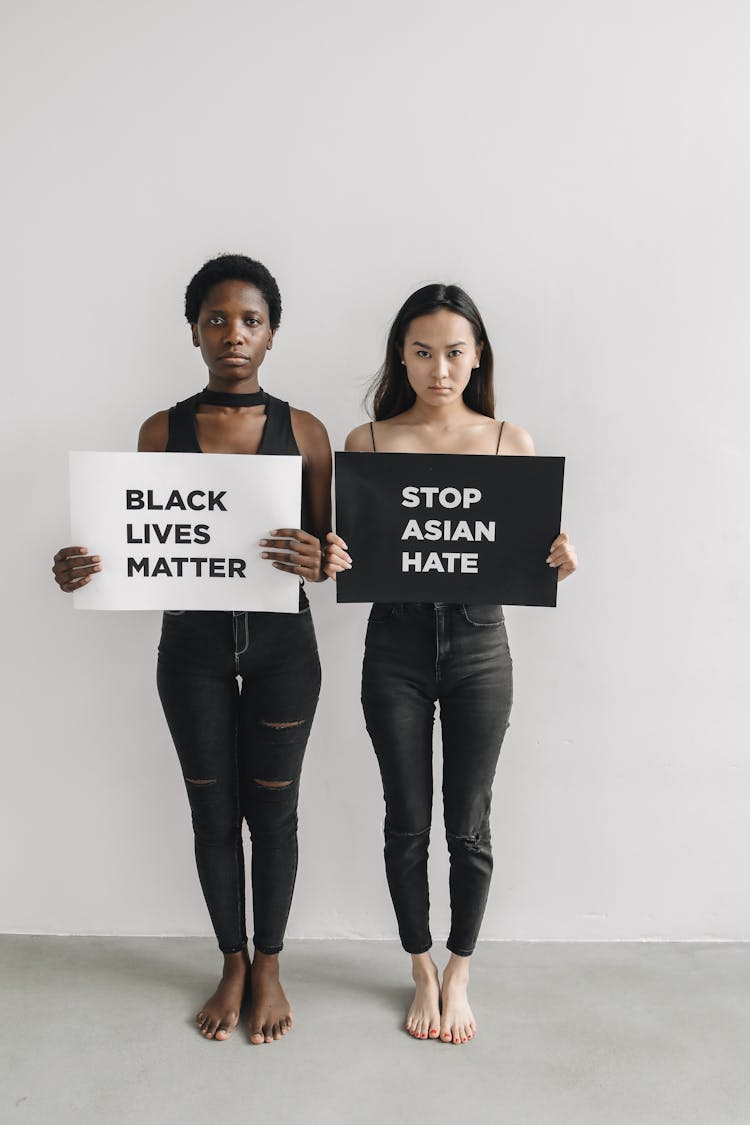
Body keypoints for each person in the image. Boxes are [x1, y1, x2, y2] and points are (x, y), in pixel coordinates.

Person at [52, 254, 332, 1045]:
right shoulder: (159, 430)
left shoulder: (304, 431)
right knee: (213, 813)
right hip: (192, 649)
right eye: (216, 319)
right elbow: (139, 542)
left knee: (273, 815)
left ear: (272, 334)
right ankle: (232, 960)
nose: (233, 334)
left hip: (284, 649)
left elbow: (329, 547)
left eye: (250, 320)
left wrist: (319, 554)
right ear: (194, 331)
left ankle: (270, 963)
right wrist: (84, 565)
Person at [325, 283, 577, 1045]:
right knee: (407, 822)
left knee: (467, 823)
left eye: (455, 352)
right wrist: (334, 553)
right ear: (402, 354)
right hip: (393, 647)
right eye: (424, 351)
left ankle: (460, 966)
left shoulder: (509, 441)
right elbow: (352, 554)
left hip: (479, 647)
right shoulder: (366, 443)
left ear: (478, 357)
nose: (440, 369)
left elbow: (528, 552)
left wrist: (559, 559)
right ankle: (419, 964)